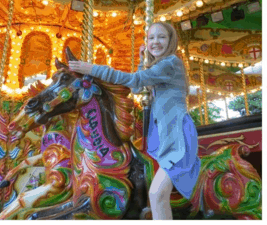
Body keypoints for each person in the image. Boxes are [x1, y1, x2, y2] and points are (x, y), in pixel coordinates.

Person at [68, 22, 200, 220]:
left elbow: (136, 81)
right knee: (157, 196)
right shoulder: (162, 67)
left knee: (156, 194)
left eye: (161, 37)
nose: (155, 42)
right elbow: (139, 89)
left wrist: (92, 69)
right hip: (167, 134)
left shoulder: (171, 62)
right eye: (151, 38)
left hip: (177, 135)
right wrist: (142, 60)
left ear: (171, 40)